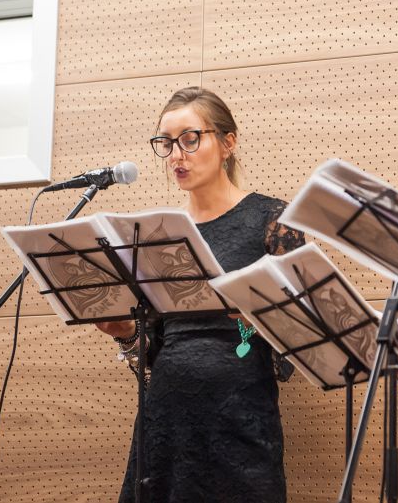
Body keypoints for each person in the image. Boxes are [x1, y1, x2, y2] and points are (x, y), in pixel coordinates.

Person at [96, 86, 303, 503]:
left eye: (190, 139)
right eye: (166, 143)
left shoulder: (272, 219)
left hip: (241, 416)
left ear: (228, 143)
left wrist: (262, 319)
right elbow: (153, 354)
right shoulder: (157, 235)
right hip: (165, 419)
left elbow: (300, 342)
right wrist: (125, 334)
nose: (177, 155)